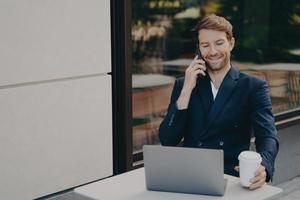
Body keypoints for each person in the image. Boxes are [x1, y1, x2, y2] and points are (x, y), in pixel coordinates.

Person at [159, 14, 279, 190]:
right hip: (189, 177)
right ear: (199, 49)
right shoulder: (184, 84)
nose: (213, 51)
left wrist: (265, 165)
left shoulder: (253, 87)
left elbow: (267, 135)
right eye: (205, 45)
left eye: (219, 43)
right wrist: (186, 90)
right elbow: (167, 140)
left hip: (230, 180)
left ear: (231, 43)